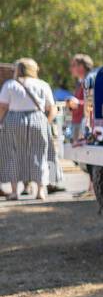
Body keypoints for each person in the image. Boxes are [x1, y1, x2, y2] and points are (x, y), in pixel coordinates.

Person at [0, 58, 56, 200]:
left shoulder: (10, 84)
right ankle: (40, 191)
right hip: (38, 119)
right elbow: (52, 108)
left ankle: (14, 192)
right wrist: (46, 122)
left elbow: (3, 106)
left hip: (14, 120)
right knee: (39, 154)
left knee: (13, 155)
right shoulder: (43, 84)